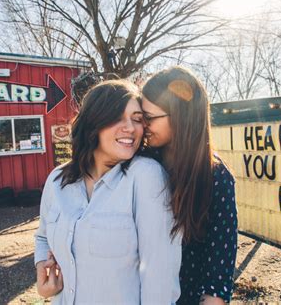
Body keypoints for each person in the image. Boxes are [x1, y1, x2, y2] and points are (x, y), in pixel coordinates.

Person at [34, 80, 181, 305]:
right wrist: (42, 272)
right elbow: (43, 236)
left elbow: (159, 278)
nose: (130, 127)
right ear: (94, 122)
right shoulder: (57, 180)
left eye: (137, 119)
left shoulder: (145, 177)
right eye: (117, 117)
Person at [141, 66, 238, 305]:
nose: (142, 125)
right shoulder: (141, 164)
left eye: (149, 118)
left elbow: (220, 262)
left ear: (180, 117)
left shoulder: (216, 177)